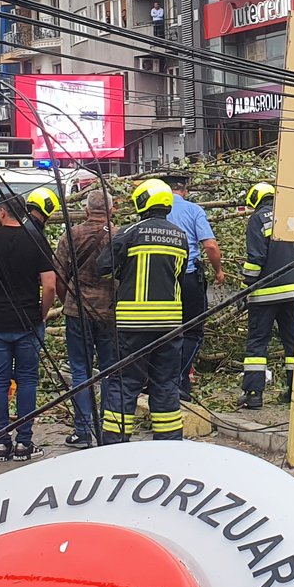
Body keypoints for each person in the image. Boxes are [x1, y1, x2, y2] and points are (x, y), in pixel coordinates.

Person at [101, 179, 192, 442]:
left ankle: (115, 445)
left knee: (125, 382)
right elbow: (180, 275)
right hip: (170, 324)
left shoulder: (129, 232)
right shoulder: (180, 236)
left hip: (132, 323)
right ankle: (168, 443)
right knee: (165, 383)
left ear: (142, 202)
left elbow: (103, 266)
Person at [0, 193, 57, 461]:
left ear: (1, 213)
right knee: (27, 380)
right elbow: (51, 284)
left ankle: (0, 443)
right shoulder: (36, 241)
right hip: (28, 322)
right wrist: (41, 314)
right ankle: (24, 443)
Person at [55, 190, 117, 448]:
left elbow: (58, 275)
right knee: (110, 371)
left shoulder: (71, 235)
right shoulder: (120, 235)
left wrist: (67, 301)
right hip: (109, 311)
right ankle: (110, 429)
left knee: (80, 369)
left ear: (87, 209)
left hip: (77, 309)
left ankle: (82, 431)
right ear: (112, 210)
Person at [238, 182, 294, 409]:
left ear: (255, 199)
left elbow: (255, 258)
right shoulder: (290, 216)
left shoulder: (257, 219)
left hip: (265, 295)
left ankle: (254, 394)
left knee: (257, 344)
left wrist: (246, 286)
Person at [157, 171, 221, 397]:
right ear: (184, 190)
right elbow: (211, 246)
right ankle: (181, 380)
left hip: (162, 280)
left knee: (165, 330)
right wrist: (219, 271)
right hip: (190, 277)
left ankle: (161, 379)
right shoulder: (194, 210)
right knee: (192, 331)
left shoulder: (155, 210)